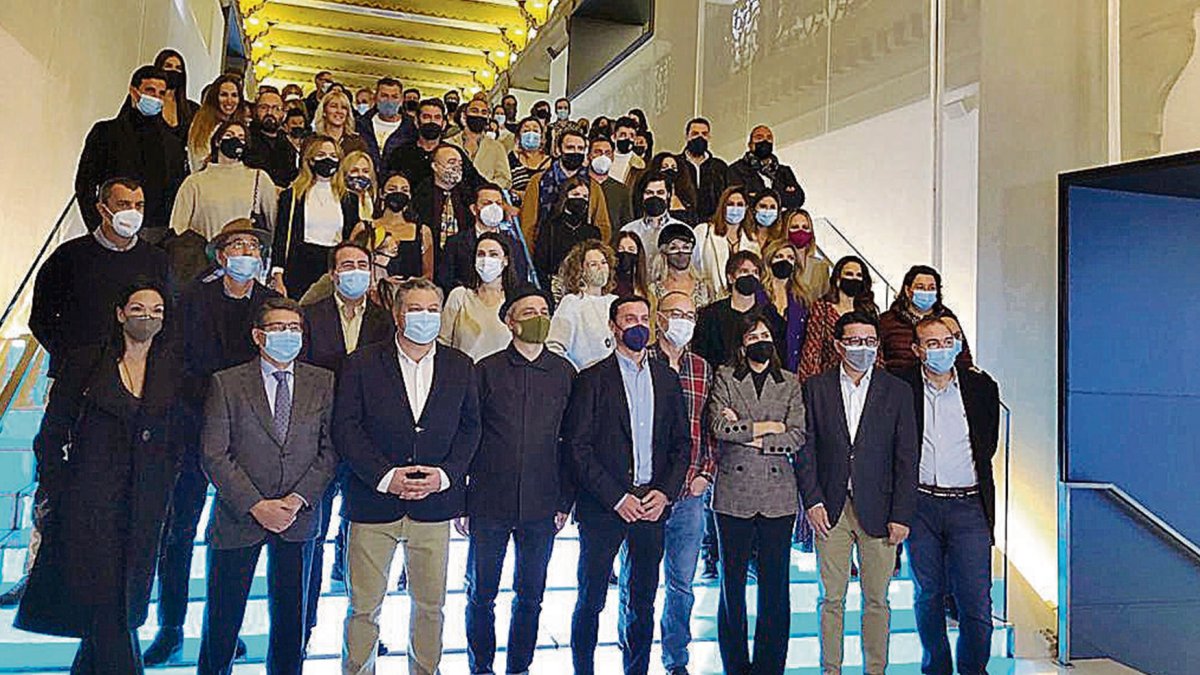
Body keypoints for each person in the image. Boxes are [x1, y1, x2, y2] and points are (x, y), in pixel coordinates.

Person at [15, 281, 179, 674]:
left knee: (117, 610)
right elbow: (52, 433)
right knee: (110, 608)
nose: (148, 317)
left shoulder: (172, 368)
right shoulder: (88, 361)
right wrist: (53, 489)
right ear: (121, 313)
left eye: (156, 310)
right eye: (138, 308)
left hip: (145, 503)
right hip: (88, 501)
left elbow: (177, 438)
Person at [144, 219, 280, 666]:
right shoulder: (192, 301)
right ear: (220, 255)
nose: (245, 251)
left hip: (248, 437)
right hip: (191, 427)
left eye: (252, 246)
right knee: (179, 530)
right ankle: (171, 626)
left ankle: (227, 626)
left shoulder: (270, 305)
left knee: (235, 537)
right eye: (235, 244)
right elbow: (174, 360)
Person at [336, 277, 481, 675]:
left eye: (432, 310)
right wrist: (384, 476)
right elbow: (346, 427)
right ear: (398, 315)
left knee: (431, 606)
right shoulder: (361, 363)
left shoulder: (460, 365)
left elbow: (471, 428)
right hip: (373, 502)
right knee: (364, 607)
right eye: (416, 309)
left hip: (434, 505)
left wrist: (446, 476)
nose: (425, 317)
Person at [196, 297, 338, 675]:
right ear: (259, 336)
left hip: (298, 519)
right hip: (239, 516)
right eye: (278, 328)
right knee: (222, 619)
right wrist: (257, 504)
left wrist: (295, 501)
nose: (287, 335)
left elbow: (329, 452)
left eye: (294, 328)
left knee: (292, 621)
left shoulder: (322, 382)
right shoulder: (227, 383)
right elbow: (214, 454)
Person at [564, 295, 691, 675]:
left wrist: (665, 492)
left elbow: (681, 444)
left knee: (643, 601)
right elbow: (578, 447)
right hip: (605, 507)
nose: (638, 324)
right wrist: (616, 497)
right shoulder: (591, 378)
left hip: (652, 504)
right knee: (591, 600)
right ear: (613, 326)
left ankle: (636, 669)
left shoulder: (667, 378)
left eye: (643, 318)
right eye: (629, 318)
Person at [798, 311, 919, 675]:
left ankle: (875, 669)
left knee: (877, 601)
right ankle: (830, 669)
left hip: (881, 511)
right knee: (831, 599)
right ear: (838, 345)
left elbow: (906, 456)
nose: (862, 348)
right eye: (854, 341)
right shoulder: (816, 387)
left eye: (869, 341)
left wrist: (902, 513)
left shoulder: (897, 391)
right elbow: (806, 448)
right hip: (830, 508)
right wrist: (812, 499)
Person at [462, 287, 576, 675]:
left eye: (544, 310)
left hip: (543, 503)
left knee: (531, 596)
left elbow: (572, 441)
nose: (538, 317)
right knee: (481, 594)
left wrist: (566, 500)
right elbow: (469, 435)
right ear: (510, 320)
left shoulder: (564, 373)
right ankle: (481, 666)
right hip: (488, 501)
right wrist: (463, 499)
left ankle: (519, 667)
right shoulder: (485, 370)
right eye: (528, 311)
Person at [893, 316, 1000, 675]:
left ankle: (974, 669)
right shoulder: (901, 388)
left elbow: (988, 445)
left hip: (969, 505)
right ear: (917, 350)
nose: (942, 348)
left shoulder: (981, 387)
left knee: (975, 600)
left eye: (949, 340)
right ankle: (935, 667)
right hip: (920, 504)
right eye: (932, 343)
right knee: (928, 595)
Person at [300, 241, 395, 640]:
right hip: (319, 440)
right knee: (312, 537)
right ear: (333, 273)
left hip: (366, 442)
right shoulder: (308, 317)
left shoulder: (386, 319)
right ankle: (303, 624)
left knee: (362, 541)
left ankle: (364, 630)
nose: (356, 270)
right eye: (347, 265)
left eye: (363, 264)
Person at [617, 291, 712, 675]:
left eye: (689, 314)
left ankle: (676, 662)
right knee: (635, 586)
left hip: (688, 493)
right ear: (659, 319)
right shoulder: (639, 359)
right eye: (674, 313)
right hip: (644, 494)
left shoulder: (703, 368)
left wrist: (707, 471)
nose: (682, 320)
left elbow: (708, 430)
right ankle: (633, 662)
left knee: (682, 586)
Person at [708, 313, 806, 675]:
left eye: (765, 335)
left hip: (778, 495)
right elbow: (720, 426)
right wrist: (769, 427)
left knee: (775, 588)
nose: (760, 341)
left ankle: (769, 667)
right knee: (731, 584)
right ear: (742, 344)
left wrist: (749, 435)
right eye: (753, 336)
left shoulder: (791, 382)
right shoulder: (725, 376)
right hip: (734, 493)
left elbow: (796, 434)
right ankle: (735, 666)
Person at [31, 178, 170, 379]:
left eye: (138, 206)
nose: (132, 212)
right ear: (103, 209)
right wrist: (69, 357)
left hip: (139, 374)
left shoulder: (157, 259)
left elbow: (168, 315)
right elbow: (41, 317)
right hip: (78, 375)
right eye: (123, 204)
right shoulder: (69, 256)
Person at [74, 65, 188, 237]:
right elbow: (85, 184)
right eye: (150, 91)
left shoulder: (172, 143)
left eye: (161, 93)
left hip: (155, 234)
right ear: (134, 92)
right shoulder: (106, 132)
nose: (156, 98)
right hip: (111, 227)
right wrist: (97, 226)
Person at [273, 136, 359, 299]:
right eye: (321, 155)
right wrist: (277, 275)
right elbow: (281, 238)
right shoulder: (291, 196)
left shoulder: (349, 199)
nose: (328, 160)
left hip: (334, 264)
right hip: (300, 265)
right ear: (310, 160)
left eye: (333, 156)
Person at [170, 119, 277, 240]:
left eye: (241, 137)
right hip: (204, 254)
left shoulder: (260, 178)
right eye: (229, 135)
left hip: (246, 254)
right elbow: (178, 228)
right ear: (217, 141)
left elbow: (274, 223)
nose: (235, 140)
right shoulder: (194, 183)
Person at [520, 128, 613, 247]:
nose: (575, 152)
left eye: (580, 149)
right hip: (546, 252)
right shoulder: (539, 181)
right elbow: (528, 226)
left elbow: (603, 226)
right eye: (570, 147)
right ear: (558, 150)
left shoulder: (592, 186)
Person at [798, 255, 882, 384]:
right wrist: (810, 385)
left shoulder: (868, 311)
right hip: (830, 380)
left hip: (865, 380)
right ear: (838, 280)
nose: (854, 279)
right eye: (849, 274)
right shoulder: (822, 308)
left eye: (859, 275)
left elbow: (877, 353)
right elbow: (813, 350)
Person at [439, 233, 521, 361]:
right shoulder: (459, 296)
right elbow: (443, 342)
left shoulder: (516, 300)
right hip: (464, 375)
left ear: (505, 260)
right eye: (481, 254)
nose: (486, 260)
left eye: (493, 254)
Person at [880, 264, 974, 373]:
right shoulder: (887, 321)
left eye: (931, 288)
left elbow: (963, 356)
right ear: (908, 290)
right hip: (898, 384)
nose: (926, 292)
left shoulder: (948, 319)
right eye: (920, 287)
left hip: (941, 383)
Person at [692, 251, 777, 371]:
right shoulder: (710, 315)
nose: (750, 276)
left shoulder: (769, 314)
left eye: (755, 272)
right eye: (744, 271)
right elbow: (700, 355)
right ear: (731, 278)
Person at [439, 183, 531, 291]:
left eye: (498, 203)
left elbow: (521, 281)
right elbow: (445, 281)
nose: (494, 208)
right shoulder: (455, 243)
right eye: (487, 203)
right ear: (474, 209)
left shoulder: (514, 244)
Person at [546, 240, 619, 370]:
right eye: (593, 264)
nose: (601, 268)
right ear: (581, 270)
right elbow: (554, 346)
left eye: (603, 263)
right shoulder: (572, 302)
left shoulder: (615, 301)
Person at [410, 143, 477, 258]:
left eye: (460, 163)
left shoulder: (469, 195)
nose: (457, 167)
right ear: (435, 166)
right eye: (451, 162)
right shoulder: (420, 195)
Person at [533, 176, 602, 285]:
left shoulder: (593, 232)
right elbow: (540, 266)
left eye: (585, 197)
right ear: (565, 197)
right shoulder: (550, 228)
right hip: (555, 286)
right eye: (576, 195)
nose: (581, 199)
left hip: (584, 286)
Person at [693, 186, 758, 295]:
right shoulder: (704, 232)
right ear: (722, 207)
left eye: (740, 205)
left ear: (746, 208)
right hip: (709, 298)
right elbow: (692, 267)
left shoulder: (752, 241)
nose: (735, 208)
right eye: (730, 204)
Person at [759, 239, 812, 372]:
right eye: (779, 256)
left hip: (790, 368)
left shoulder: (801, 298)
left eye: (790, 258)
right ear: (769, 260)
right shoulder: (758, 293)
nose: (785, 261)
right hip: (761, 363)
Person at [371, 172, 434, 280]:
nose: (398, 194)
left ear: (409, 196)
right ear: (381, 193)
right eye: (392, 189)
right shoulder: (366, 227)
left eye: (404, 190)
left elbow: (428, 275)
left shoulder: (423, 231)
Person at [727, 125, 806, 209]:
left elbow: (798, 200)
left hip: (781, 221)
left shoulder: (784, 171)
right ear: (750, 145)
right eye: (759, 138)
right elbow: (739, 201)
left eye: (769, 138)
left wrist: (756, 195)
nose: (765, 141)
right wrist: (783, 194)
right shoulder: (736, 170)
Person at [448, 95, 513, 189]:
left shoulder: (497, 147)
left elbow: (505, 179)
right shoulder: (449, 143)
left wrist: (485, 188)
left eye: (483, 112)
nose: (479, 115)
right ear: (464, 115)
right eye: (474, 111)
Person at [621, 172, 689, 258]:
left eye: (660, 192)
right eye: (649, 193)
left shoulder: (683, 230)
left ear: (668, 195)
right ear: (642, 195)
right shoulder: (628, 230)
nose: (655, 197)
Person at [356, 77, 417, 171]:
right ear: (375, 98)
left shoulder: (411, 129)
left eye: (394, 97)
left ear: (401, 100)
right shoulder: (361, 124)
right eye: (384, 96)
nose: (389, 101)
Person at [244, 89, 300, 189]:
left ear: (283, 113)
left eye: (276, 108)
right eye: (264, 107)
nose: (270, 112)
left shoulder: (287, 145)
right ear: (255, 110)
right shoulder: (245, 138)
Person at [187, 74, 244, 171]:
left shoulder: (239, 125)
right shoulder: (203, 125)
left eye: (234, 95)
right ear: (214, 97)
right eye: (224, 95)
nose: (229, 100)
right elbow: (198, 162)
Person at [650, 223, 713, 309]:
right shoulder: (654, 290)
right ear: (664, 253)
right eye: (673, 248)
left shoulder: (706, 287)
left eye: (685, 247)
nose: (680, 252)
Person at [677, 117, 729, 222]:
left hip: (712, 224)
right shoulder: (676, 164)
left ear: (709, 137)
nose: (700, 137)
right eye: (695, 134)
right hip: (681, 221)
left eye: (704, 134)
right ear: (687, 136)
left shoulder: (719, 167)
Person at [635, 153, 699, 226]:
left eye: (673, 167)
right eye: (664, 167)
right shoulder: (649, 194)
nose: (669, 170)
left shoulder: (686, 197)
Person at [588, 135, 635, 229]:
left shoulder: (622, 190)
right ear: (589, 155)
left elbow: (627, 223)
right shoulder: (580, 185)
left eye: (607, 153)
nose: (603, 157)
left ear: (613, 157)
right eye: (598, 152)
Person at [153, 49, 199, 140]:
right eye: (168, 66)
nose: (173, 71)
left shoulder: (192, 109)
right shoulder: (147, 103)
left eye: (178, 68)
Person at [315, 89, 370, 157]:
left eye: (344, 107)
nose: (339, 111)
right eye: (334, 106)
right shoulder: (312, 141)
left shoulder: (357, 143)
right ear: (324, 111)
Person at [507, 116, 550, 200]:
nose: (531, 134)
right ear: (518, 136)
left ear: (542, 137)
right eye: (526, 131)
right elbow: (505, 186)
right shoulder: (511, 159)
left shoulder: (551, 162)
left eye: (535, 131)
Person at [338, 149, 379, 227]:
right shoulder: (341, 200)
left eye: (365, 171)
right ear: (344, 174)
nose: (360, 174)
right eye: (354, 171)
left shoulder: (375, 200)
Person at [610, 116, 647, 184]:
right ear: (614, 137)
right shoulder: (607, 159)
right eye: (623, 135)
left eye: (631, 136)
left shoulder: (639, 164)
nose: (628, 138)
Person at [614, 231, 651, 300]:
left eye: (631, 249)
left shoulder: (644, 288)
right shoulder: (609, 285)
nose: (625, 253)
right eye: (621, 249)